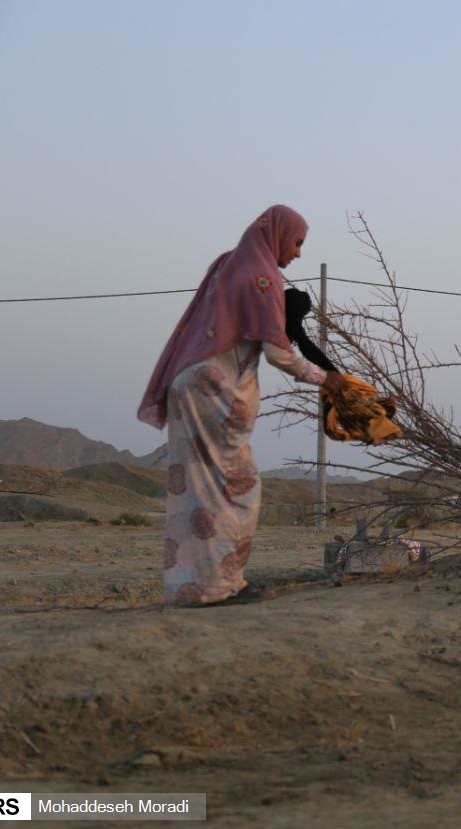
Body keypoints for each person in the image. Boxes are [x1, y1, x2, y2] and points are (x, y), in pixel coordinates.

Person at [137, 205, 345, 606]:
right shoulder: (262, 278)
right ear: (279, 236)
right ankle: (219, 587)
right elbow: (278, 354)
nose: (299, 252)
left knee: (198, 493)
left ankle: (198, 586)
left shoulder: (229, 265)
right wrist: (326, 379)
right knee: (238, 489)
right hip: (213, 389)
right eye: (298, 242)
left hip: (191, 383)